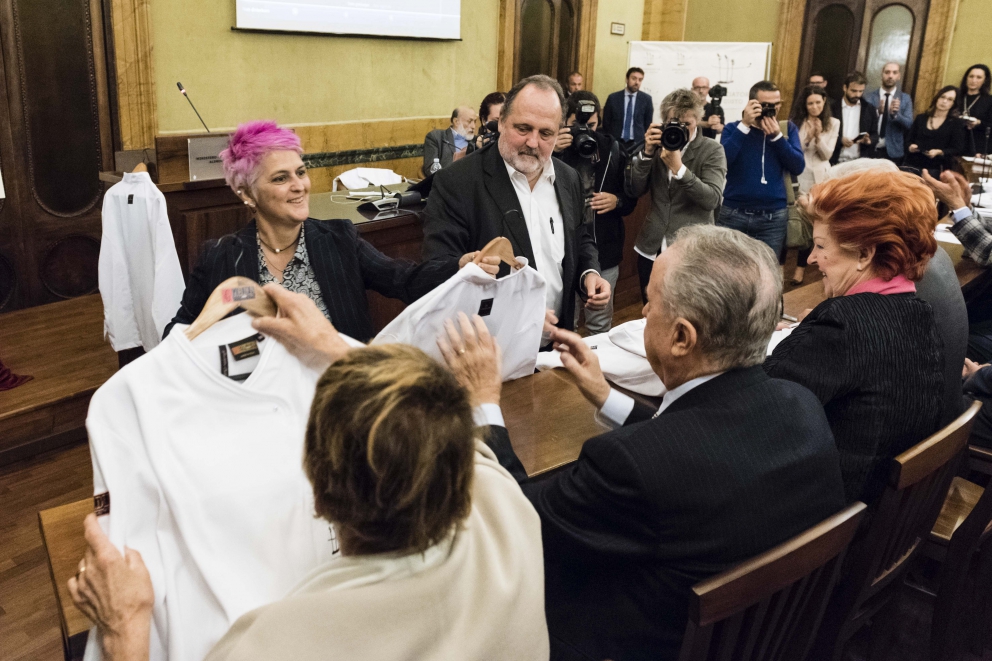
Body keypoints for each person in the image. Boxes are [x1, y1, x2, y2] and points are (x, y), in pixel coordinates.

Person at [67, 292, 551, 661]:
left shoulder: (271, 643)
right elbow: (445, 437)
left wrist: (125, 630)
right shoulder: (512, 515)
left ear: (318, 499)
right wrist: (332, 346)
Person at [440, 224, 846, 661]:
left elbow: (517, 522)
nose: (644, 311)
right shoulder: (801, 406)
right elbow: (697, 443)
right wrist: (605, 396)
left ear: (681, 338)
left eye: (650, 303)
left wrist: (482, 403)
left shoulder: (630, 465)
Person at [164, 120, 494, 342]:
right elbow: (179, 332)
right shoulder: (221, 257)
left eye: (301, 172)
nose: (299, 186)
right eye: (280, 178)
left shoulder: (338, 239)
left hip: (340, 400)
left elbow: (404, 279)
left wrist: (459, 266)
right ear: (247, 193)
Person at [764, 170, 944, 507]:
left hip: (832, 520)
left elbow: (754, 406)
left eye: (820, 246)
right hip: (884, 509)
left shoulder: (842, 324)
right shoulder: (919, 312)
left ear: (864, 254)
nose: (811, 258)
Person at [421, 75, 610, 334]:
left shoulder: (569, 178)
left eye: (546, 133)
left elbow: (580, 238)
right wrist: (464, 268)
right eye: (523, 128)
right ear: (501, 122)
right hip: (492, 345)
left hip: (556, 341)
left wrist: (589, 274)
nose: (533, 142)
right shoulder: (456, 182)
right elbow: (435, 269)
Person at [627, 88, 727, 302]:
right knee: (650, 308)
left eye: (687, 124)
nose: (681, 129)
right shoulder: (658, 145)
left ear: (697, 121)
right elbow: (635, 189)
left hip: (691, 251)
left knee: (687, 309)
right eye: (674, 123)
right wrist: (647, 154)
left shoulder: (712, 150)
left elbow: (712, 199)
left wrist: (679, 169)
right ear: (664, 122)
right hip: (652, 246)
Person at [553, 91, 636, 332]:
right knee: (563, 326)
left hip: (605, 252)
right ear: (564, 121)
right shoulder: (552, 147)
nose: (585, 131)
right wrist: (552, 152)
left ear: (599, 121)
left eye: (591, 125)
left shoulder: (612, 147)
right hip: (561, 254)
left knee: (599, 325)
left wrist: (617, 200)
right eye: (577, 124)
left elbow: (631, 199)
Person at [718, 80, 805, 259]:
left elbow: (797, 166)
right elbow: (723, 162)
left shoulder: (787, 129)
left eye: (776, 104)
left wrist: (777, 138)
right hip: (734, 212)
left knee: (767, 269)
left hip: (773, 217)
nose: (772, 109)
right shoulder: (733, 129)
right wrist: (744, 126)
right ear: (752, 104)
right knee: (727, 268)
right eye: (766, 105)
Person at [790, 84, 839, 284]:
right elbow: (794, 151)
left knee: (814, 224)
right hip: (800, 175)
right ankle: (783, 266)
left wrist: (818, 137)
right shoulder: (796, 123)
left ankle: (801, 269)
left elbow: (827, 154)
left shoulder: (833, 123)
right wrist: (808, 137)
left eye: (818, 102)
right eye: (810, 103)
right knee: (795, 220)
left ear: (824, 101)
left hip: (821, 178)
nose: (814, 107)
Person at [906, 85, 966, 178]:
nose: (944, 101)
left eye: (950, 99)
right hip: (912, 165)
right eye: (942, 97)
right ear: (937, 98)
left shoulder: (956, 123)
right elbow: (908, 140)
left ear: (954, 104)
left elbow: (957, 149)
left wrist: (940, 152)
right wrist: (910, 147)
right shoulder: (921, 118)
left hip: (936, 168)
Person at [864, 62, 914, 164]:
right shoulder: (869, 97)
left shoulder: (905, 98)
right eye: (887, 72)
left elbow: (909, 124)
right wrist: (877, 113)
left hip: (893, 152)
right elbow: (861, 122)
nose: (890, 76)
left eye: (894, 72)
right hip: (870, 149)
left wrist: (895, 115)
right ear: (882, 75)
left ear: (899, 76)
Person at [830, 72, 878, 164]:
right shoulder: (832, 108)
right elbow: (824, 133)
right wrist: (840, 140)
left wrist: (869, 140)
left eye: (861, 91)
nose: (857, 95)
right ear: (845, 88)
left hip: (859, 162)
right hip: (835, 160)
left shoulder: (869, 109)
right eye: (854, 91)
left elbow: (875, 134)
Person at [602, 67, 654, 144]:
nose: (637, 82)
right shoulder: (613, 98)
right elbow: (606, 122)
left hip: (637, 142)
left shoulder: (646, 99)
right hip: (616, 141)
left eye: (640, 80)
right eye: (634, 78)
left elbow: (648, 123)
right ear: (627, 79)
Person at [422, 106, 477, 174]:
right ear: (456, 121)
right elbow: (431, 170)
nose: (473, 126)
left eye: (475, 121)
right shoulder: (436, 137)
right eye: (469, 121)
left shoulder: (477, 141)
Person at [957, 64, 992, 156]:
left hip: (977, 147)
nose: (973, 80)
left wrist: (979, 123)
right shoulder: (957, 96)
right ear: (966, 78)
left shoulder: (989, 101)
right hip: (954, 144)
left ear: (985, 80)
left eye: (978, 77)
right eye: (971, 76)